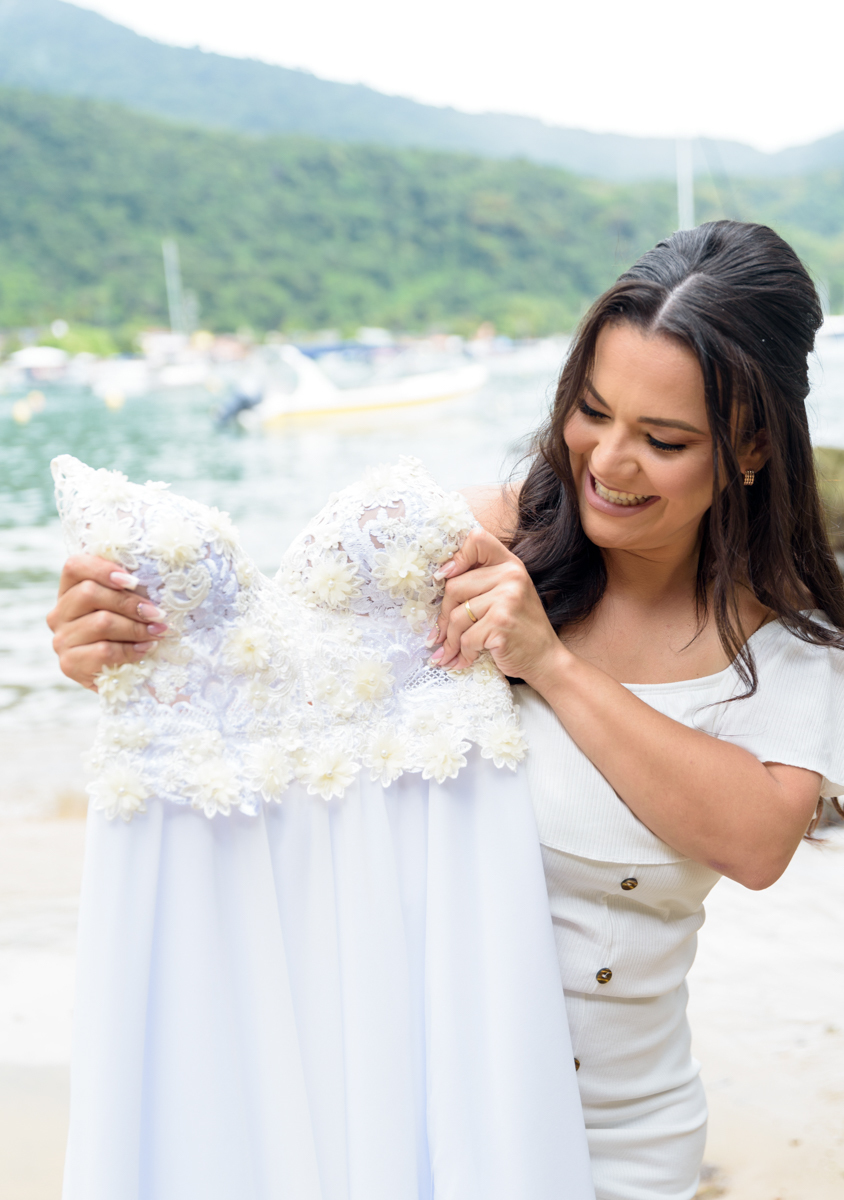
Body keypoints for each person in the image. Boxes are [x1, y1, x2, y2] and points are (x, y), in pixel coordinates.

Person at [48, 221, 844, 1200]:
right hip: (415, 1110)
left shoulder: (786, 650)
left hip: (629, 1137)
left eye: (664, 439)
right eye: (591, 411)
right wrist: (125, 652)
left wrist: (549, 665)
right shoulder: (471, 546)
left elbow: (757, 841)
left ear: (754, 444)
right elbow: (267, 688)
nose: (608, 460)